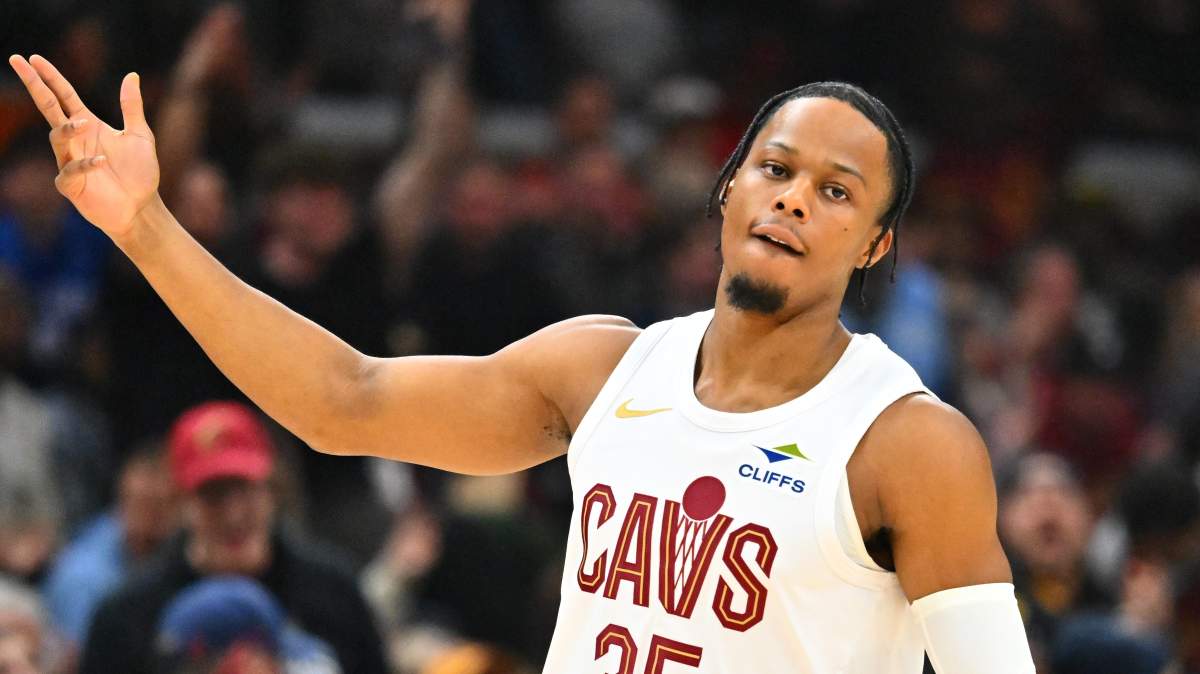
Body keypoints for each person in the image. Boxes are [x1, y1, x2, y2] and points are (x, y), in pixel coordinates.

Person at [8, 52, 1035, 672]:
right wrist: (142, 226)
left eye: (837, 190)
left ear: (876, 244)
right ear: (728, 189)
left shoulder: (908, 442)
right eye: (775, 167)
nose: (795, 197)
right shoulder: (604, 370)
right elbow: (342, 400)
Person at [76, 401, 387, 674]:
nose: (233, 514)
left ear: (272, 490)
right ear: (181, 503)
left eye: (245, 489)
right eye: (213, 494)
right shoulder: (127, 618)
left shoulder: (333, 592)